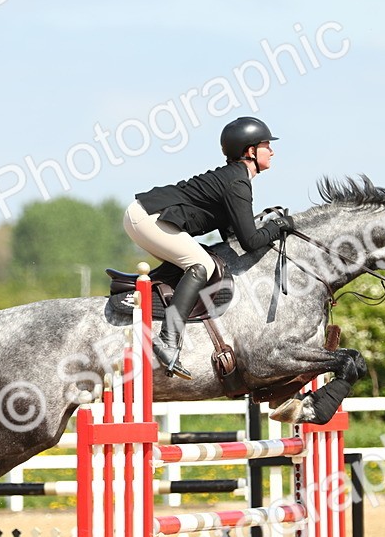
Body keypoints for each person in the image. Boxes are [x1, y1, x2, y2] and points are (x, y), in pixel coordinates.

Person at [123, 116, 295, 380]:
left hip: (145, 215)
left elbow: (233, 238)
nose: (272, 150)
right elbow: (250, 241)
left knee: (197, 261)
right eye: (265, 145)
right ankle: (168, 340)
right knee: (201, 264)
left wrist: (267, 229)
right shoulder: (237, 183)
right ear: (250, 151)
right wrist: (278, 226)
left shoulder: (235, 179)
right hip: (148, 217)